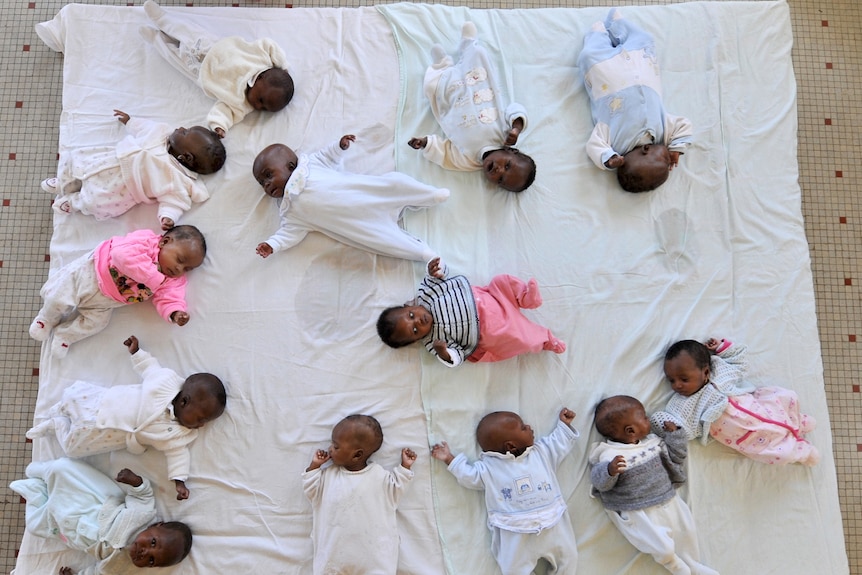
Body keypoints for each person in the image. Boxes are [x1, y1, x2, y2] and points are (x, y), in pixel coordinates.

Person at [26, 335, 226, 500]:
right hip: (104, 403)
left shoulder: (177, 436)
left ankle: (57, 425)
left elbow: (178, 457)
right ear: (184, 402)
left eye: (205, 422)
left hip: (106, 434)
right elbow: (150, 368)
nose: (200, 426)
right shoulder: (165, 383)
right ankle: (59, 410)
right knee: (72, 398)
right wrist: (137, 353)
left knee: (72, 449)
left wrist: (179, 481)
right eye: (201, 418)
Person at [253, 134, 448, 262]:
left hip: (369, 194)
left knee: (394, 184)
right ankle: (423, 254)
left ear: (290, 166)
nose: (267, 185)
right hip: (360, 225)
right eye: (262, 183)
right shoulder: (290, 212)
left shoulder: (310, 165)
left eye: (268, 175)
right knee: (386, 242)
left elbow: (328, 156)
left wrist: (339, 146)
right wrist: (273, 245)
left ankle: (428, 194)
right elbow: (288, 234)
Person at [431, 408, 579, 575]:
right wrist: (449, 458)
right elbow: (469, 476)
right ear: (510, 445)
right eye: (523, 427)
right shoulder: (490, 468)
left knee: (569, 559)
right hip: (514, 530)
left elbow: (557, 444)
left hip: (552, 521)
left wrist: (564, 425)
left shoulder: (541, 453)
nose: (529, 426)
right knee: (513, 570)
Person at [28, 225, 206, 358]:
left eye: (187, 268)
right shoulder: (145, 241)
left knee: (97, 323)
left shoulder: (172, 280)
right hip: (91, 273)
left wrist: (175, 312)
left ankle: (65, 334)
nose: (179, 268)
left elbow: (170, 298)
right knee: (60, 296)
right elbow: (121, 256)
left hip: (107, 301)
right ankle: (46, 319)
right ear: (164, 242)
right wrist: (153, 277)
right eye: (180, 259)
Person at [589, 395, 719, 575]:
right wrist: (609, 471)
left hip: (668, 499)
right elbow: (599, 482)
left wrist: (675, 436)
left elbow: (676, 457)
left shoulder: (653, 443)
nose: (648, 419)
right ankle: (675, 566)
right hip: (638, 511)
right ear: (630, 430)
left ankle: (694, 566)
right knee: (662, 546)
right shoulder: (609, 454)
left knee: (686, 532)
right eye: (643, 417)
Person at [41, 109, 224, 230]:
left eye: (185, 133)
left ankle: (75, 202)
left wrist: (168, 217)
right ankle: (64, 183)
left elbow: (175, 202)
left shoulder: (179, 181)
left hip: (121, 189)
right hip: (111, 159)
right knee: (76, 160)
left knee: (96, 202)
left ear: (186, 157)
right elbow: (144, 127)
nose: (181, 128)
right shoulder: (161, 133)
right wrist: (131, 121)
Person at [408, 21, 536, 193]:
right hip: (476, 83)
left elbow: (445, 154)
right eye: (507, 165)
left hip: (451, 98)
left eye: (500, 179)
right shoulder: (504, 135)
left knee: (432, 87)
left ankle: (442, 63)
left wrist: (425, 143)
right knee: (478, 55)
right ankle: (468, 44)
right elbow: (515, 109)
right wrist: (516, 128)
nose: (498, 171)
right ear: (511, 152)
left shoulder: (469, 161)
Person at [650, 338, 820, 466]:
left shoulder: (721, 373)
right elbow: (685, 431)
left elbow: (740, 361)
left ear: (706, 371)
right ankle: (801, 452)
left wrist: (722, 348)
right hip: (743, 434)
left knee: (781, 401)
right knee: (774, 451)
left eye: (684, 379)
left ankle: (797, 420)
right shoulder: (683, 404)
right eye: (671, 380)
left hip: (757, 408)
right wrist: (666, 424)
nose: (677, 385)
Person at [9, 458, 192, 575]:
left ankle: (34, 492)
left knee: (34, 525)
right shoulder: (142, 515)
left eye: (151, 561)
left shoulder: (122, 566)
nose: (145, 553)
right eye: (153, 542)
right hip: (88, 507)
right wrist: (136, 481)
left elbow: (98, 573)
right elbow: (143, 495)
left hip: (71, 532)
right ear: (157, 525)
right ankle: (39, 470)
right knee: (61, 468)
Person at [577, 10, 693, 193]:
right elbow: (684, 125)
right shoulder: (663, 132)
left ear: (646, 150)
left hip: (608, 82)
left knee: (589, 57)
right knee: (645, 40)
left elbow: (594, 146)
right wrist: (677, 147)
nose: (669, 159)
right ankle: (618, 24)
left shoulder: (615, 142)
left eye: (664, 160)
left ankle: (597, 34)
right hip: (642, 67)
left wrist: (608, 158)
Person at [141, 0, 293, 138]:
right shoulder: (261, 59)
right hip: (212, 46)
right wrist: (283, 65)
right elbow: (269, 45)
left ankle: (156, 39)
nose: (258, 106)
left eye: (264, 108)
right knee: (185, 30)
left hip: (199, 73)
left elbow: (225, 112)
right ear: (260, 78)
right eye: (261, 100)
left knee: (173, 56)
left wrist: (219, 125)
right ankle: (161, 18)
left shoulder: (241, 105)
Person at [376, 257, 565, 367]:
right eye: (415, 331)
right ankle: (545, 340)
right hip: (488, 329)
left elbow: (439, 276)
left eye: (411, 316)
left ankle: (526, 297)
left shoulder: (426, 294)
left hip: (489, 297)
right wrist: (445, 354)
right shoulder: (434, 342)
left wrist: (434, 270)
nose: (418, 322)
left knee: (502, 281)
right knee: (517, 337)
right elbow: (456, 357)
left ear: (409, 305)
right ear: (417, 340)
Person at [302, 414, 417, 575]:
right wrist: (314, 466)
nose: (329, 449)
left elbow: (395, 489)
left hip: (373, 559)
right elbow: (310, 489)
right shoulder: (328, 475)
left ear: (357, 455)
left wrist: (405, 467)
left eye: (336, 447)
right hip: (333, 558)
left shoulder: (378, 475)